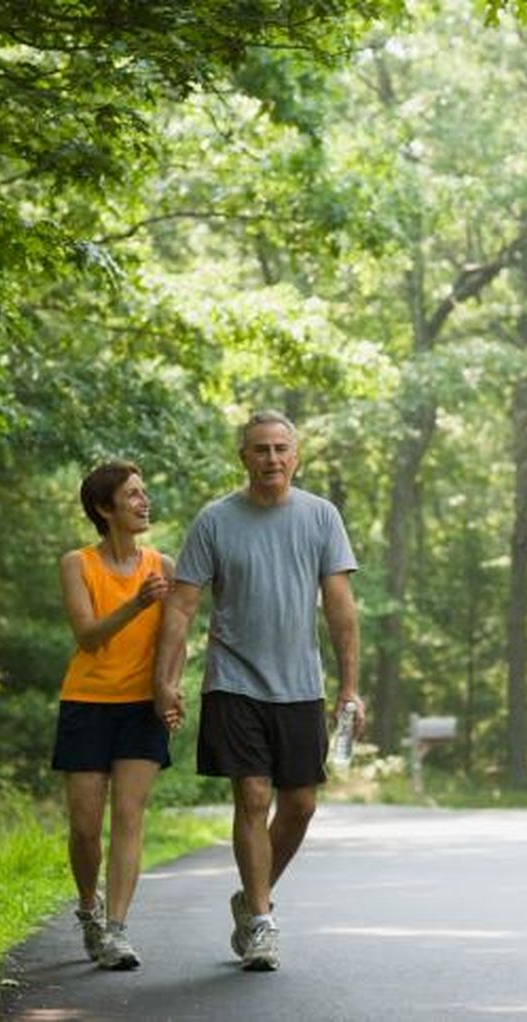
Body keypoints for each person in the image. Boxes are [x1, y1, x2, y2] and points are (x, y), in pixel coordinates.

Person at [154, 410, 364, 972]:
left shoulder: (321, 517)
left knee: (300, 804)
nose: (271, 458)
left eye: (280, 449)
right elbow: (181, 605)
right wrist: (166, 679)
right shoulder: (215, 521)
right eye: (260, 449)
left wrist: (350, 689)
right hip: (234, 681)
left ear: (295, 456)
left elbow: (341, 608)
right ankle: (263, 923)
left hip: (299, 686)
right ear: (243, 457)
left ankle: (251, 898)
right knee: (252, 796)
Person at [51, 461, 173, 970]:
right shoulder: (77, 564)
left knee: (128, 817)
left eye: (144, 493)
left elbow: (176, 636)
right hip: (87, 702)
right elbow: (88, 636)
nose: (144, 502)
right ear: (105, 509)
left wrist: (168, 686)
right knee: (84, 826)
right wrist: (137, 604)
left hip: (141, 708)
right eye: (132, 495)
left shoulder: (163, 565)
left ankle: (118, 930)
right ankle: (89, 908)